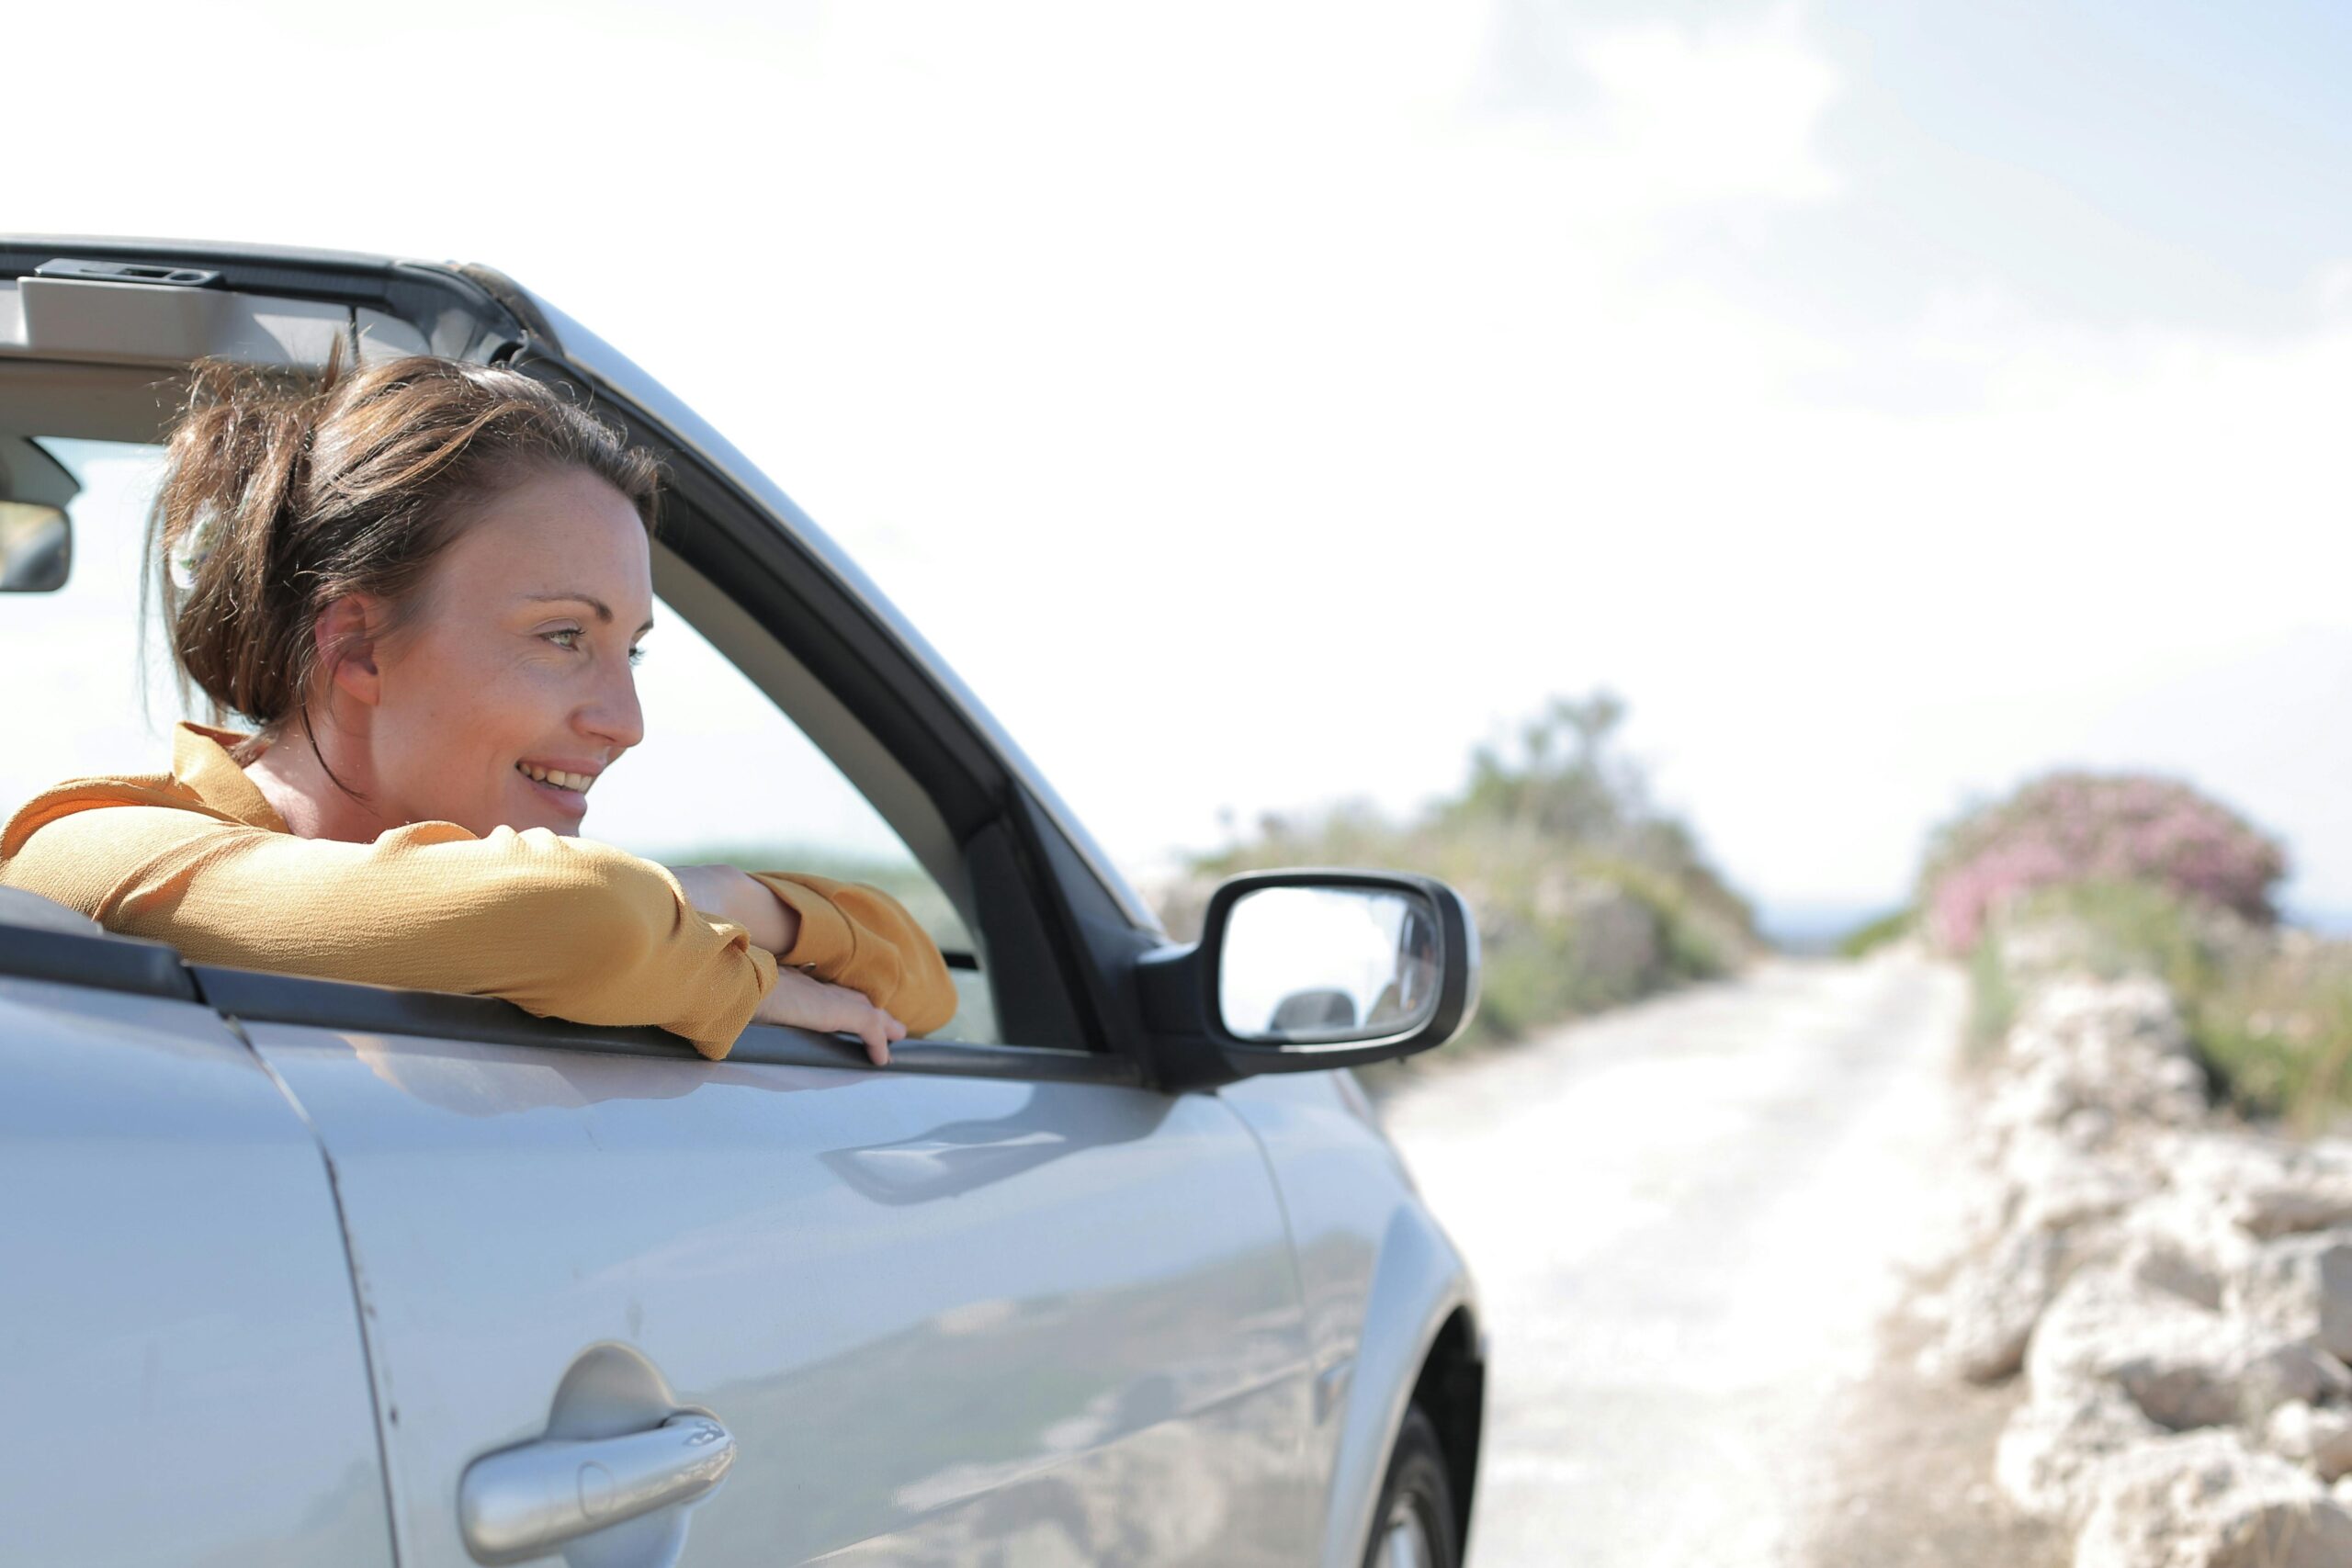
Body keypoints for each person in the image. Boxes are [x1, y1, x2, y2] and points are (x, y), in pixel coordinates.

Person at [0, 354, 954, 1064]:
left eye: (629, 649)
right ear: (357, 646)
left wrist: (732, 904)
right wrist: (727, 970)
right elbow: (583, 917)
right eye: (563, 636)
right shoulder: (91, 850)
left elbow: (918, 978)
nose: (625, 722)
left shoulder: (521, 894)